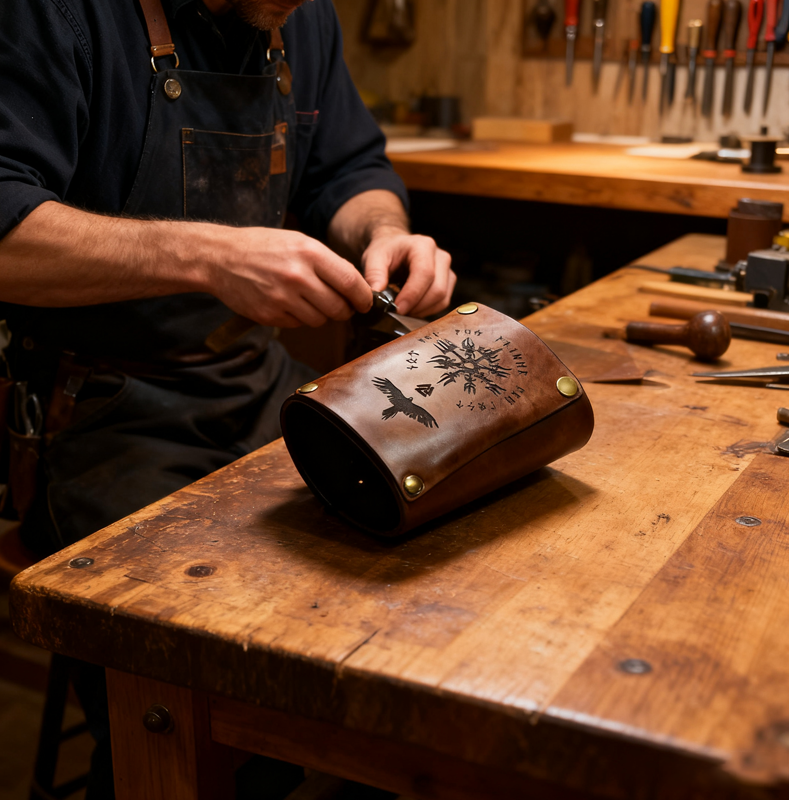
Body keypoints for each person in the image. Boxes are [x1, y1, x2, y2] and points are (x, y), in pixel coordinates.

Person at [0, 0, 453, 795]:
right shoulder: (55, 14)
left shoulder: (297, 16)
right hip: (100, 411)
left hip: (254, 385)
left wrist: (385, 232)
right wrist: (206, 255)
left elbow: (350, 171)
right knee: (218, 687)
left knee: (423, 589)